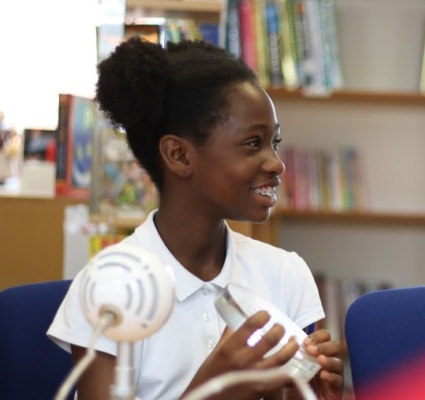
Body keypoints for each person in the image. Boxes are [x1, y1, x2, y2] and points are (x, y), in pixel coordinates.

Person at [47, 37, 344, 400]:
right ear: (179, 156)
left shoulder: (286, 274)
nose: (276, 163)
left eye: (275, 143)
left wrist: (312, 394)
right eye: (253, 143)